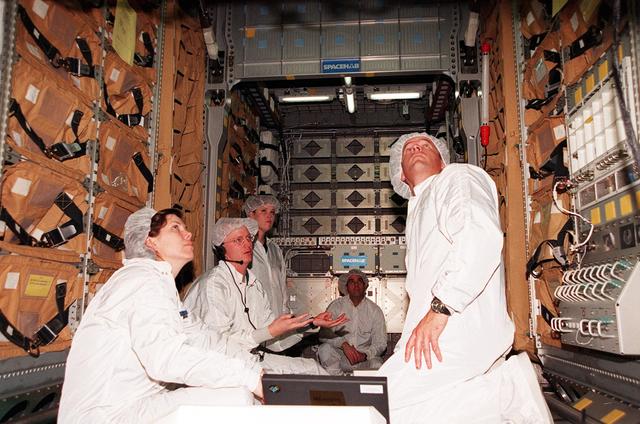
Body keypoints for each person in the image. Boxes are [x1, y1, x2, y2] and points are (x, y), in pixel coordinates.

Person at [378, 133, 552, 422]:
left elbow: (479, 236)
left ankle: (507, 391)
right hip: (441, 331)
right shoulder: (418, 211)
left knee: (380, 403)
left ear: (442, 162)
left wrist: (441, 307)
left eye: (426, 145)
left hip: (456, 324)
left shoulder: (456, 177)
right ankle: (504, 391)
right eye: (408, 150)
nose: (417, 147)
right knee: (434, 411)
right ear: (401, 175)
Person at [59, 208, 264, 423]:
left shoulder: (159, 285)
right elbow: (167, 358)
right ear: (150, 241)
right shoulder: (141, 281)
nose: (188, 233)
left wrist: (257, 370)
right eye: (175, 228)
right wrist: (250, 379)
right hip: (105, 415)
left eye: (184, 227)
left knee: (238, 394)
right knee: (238, 399)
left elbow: (206, 339)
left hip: (134, 405)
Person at [183, 217, 347, 373]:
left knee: (312, 368)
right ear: (221, 248)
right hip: (218, 365)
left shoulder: (254, 284)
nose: (247, 244)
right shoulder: (213, 285)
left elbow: (274, 342)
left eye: (248, 238)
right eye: (238, 240)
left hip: (247, 358)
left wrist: (311, 323)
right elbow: (219, 347)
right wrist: (269, 331)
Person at [317, 269, 387, 375]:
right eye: (352, 282)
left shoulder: (375, 310)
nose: (356, 284)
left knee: (377, 365)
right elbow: (324, 334)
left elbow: (381, 343)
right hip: (341, 357)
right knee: (324, 349)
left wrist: (365, 355)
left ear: (365, 286)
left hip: (365, 359)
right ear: (346, 287)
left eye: (359, 281)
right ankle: (338, 382)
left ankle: (364, 385)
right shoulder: (336, 306)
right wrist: (343, 344)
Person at [243, 195, 288, 318]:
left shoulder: (275, 249)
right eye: (263, 211)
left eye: (272, 212)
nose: (269, 216)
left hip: (276, 317)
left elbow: (282, 288)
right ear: (251, 214)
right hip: (252, 318)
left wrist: (284, 314)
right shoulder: (244, 247)